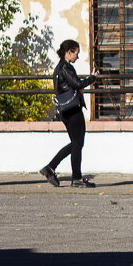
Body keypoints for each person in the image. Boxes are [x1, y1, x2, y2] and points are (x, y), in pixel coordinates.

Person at [40, 39, 98, 188]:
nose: (77, 57)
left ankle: (52, 168)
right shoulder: (66, 68)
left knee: (76, 144)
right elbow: (77, 84)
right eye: (76, 53)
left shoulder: (59, 68)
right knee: (77, 144)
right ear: (68, 52)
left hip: (65, 110)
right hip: (73, 110)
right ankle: (75, 178)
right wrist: (92, 78)